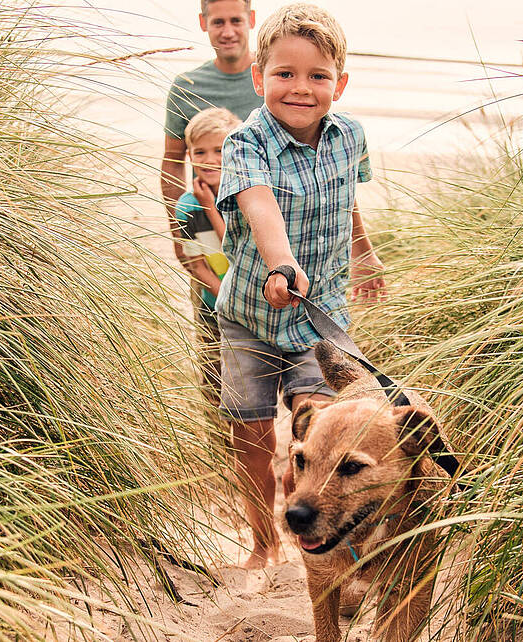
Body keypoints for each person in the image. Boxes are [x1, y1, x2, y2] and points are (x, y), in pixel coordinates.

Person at [213, 3, 386, 569]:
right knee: (254, 435)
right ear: (259, 77)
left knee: (323, 423)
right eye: (284, 74)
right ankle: (264, 544)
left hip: (320, 315)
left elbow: (346, 201)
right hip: (250, 316)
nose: (301, 89)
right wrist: (281, 264)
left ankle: (322, 520)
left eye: (318, 76)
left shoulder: (350, 135)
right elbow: (260, 207)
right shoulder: (245, 144)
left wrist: (362, 251)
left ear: (340, 82)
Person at [161, 0, 262, 271]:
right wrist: (178, 231)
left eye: (236, 21)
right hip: (204, 227)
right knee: (210, 306)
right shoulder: (187, 86)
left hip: (265, 230)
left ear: (251, 19)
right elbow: (172, 160)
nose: (227, 32)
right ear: (203, 23)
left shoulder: (271, 79)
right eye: (218, 22)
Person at [174, 107, 243, 411]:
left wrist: (210, 206)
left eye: (220, 150)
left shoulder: (246, 195)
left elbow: (238, 246)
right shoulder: (187, 206)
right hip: (212, 303)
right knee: (213, 374)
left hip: (253, 300)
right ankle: (218, 444)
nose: (210, 159)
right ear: (189, 156)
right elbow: (195, 263)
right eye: (199, 152)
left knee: (249, 377)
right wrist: (220, 293)